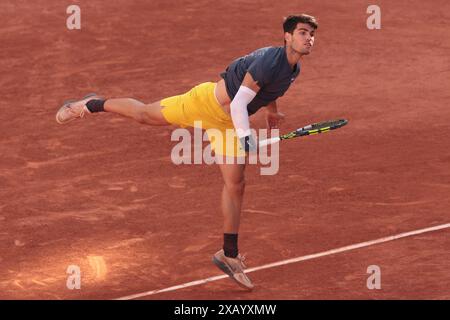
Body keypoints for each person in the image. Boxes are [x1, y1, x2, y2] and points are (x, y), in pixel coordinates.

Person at [56, 14, 318, 290]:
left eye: (311, 34)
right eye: (302, 32)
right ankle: (89, 104)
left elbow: (268, 89)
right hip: (205, 104)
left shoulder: (292, 69)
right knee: (145, 114)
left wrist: (272, 113)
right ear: (287, 36)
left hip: (227, 122)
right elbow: (240, 103)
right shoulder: (269, 61)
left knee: (236, 183)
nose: (308, 38)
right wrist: (246, 137)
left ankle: (228, 255)